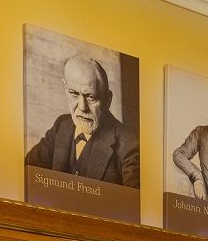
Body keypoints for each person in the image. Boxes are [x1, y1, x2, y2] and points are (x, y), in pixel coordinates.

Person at [27, 53, 139, 186]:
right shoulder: (61, 126)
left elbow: (130, 205)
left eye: (91, 97)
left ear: (108, 99)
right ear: (65, 88)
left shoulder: (130, 146)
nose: (82, 107)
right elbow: (27, 174)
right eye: (74, 93)